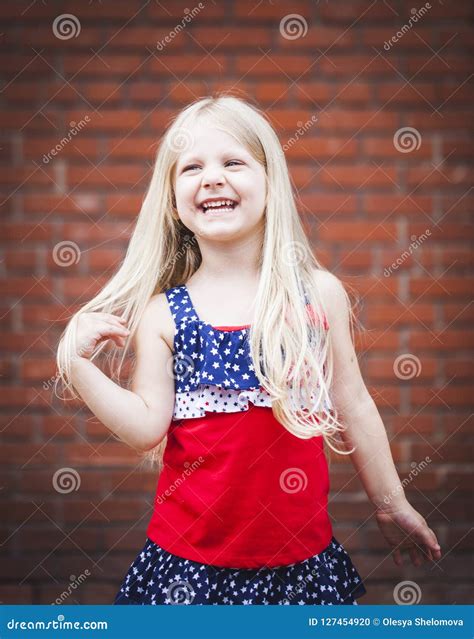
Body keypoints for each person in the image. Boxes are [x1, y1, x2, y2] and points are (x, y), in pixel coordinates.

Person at [55, 94, 442, 605]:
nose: (212, 178)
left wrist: (391, 503)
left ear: (269, 183)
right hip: (187, 569)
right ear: (173, 201)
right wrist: (79, 367)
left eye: (232, 162)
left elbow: (353, 403)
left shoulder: (315, 296)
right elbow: (147, 425)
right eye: (191, 167)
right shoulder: (164, 314)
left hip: (301, 567)